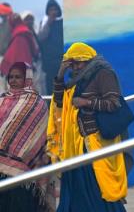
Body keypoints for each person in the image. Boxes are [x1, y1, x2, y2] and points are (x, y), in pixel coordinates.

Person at [47, 42, 127, 211]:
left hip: (95, 144)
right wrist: (60, 75)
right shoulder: (75, 80)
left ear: (89, 60)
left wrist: (87, 102)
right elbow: (60, 103)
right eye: (72, 63)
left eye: (79, 62)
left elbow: (114, 104)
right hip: (75, 146)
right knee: (76, 194)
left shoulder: (103, 74)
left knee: (99, 190)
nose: (75, 67)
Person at [0, 62, 55, 212]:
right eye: (10, 77)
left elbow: (40, 139)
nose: (13, 80)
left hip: (24, 174)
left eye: (18, 77)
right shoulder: (2, 100)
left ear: (27, 78)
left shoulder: (37, 103)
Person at [0, 14, 39, 93]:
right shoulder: (27, 32)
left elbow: (9, 55)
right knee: (27, 94)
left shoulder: (15, 34)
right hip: (27, 69)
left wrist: (4, 66)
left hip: (14, 70)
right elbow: (35, 50)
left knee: (15, 95)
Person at [38, 0, 64, 95]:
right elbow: (40, 38)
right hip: (49, 64)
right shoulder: (44, 23)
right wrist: (49, 22)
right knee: (51, 89)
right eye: (51, 10)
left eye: (55, 9)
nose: (53, 12)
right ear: (47, 12)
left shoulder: (62, 23)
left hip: (61, 62)